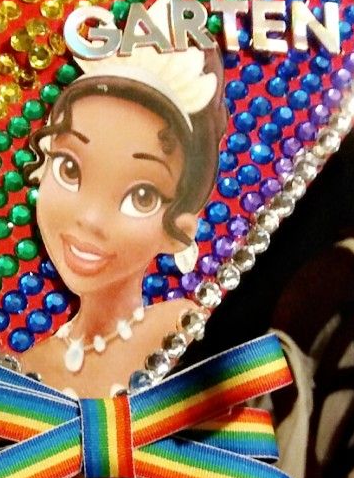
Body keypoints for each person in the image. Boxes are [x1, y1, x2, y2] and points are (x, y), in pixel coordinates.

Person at [21, 37, 228, 395]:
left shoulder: (180, 325)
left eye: (142, 196)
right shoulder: (30, 366)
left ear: (180, 231)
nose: (90, 218)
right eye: (69, 169)